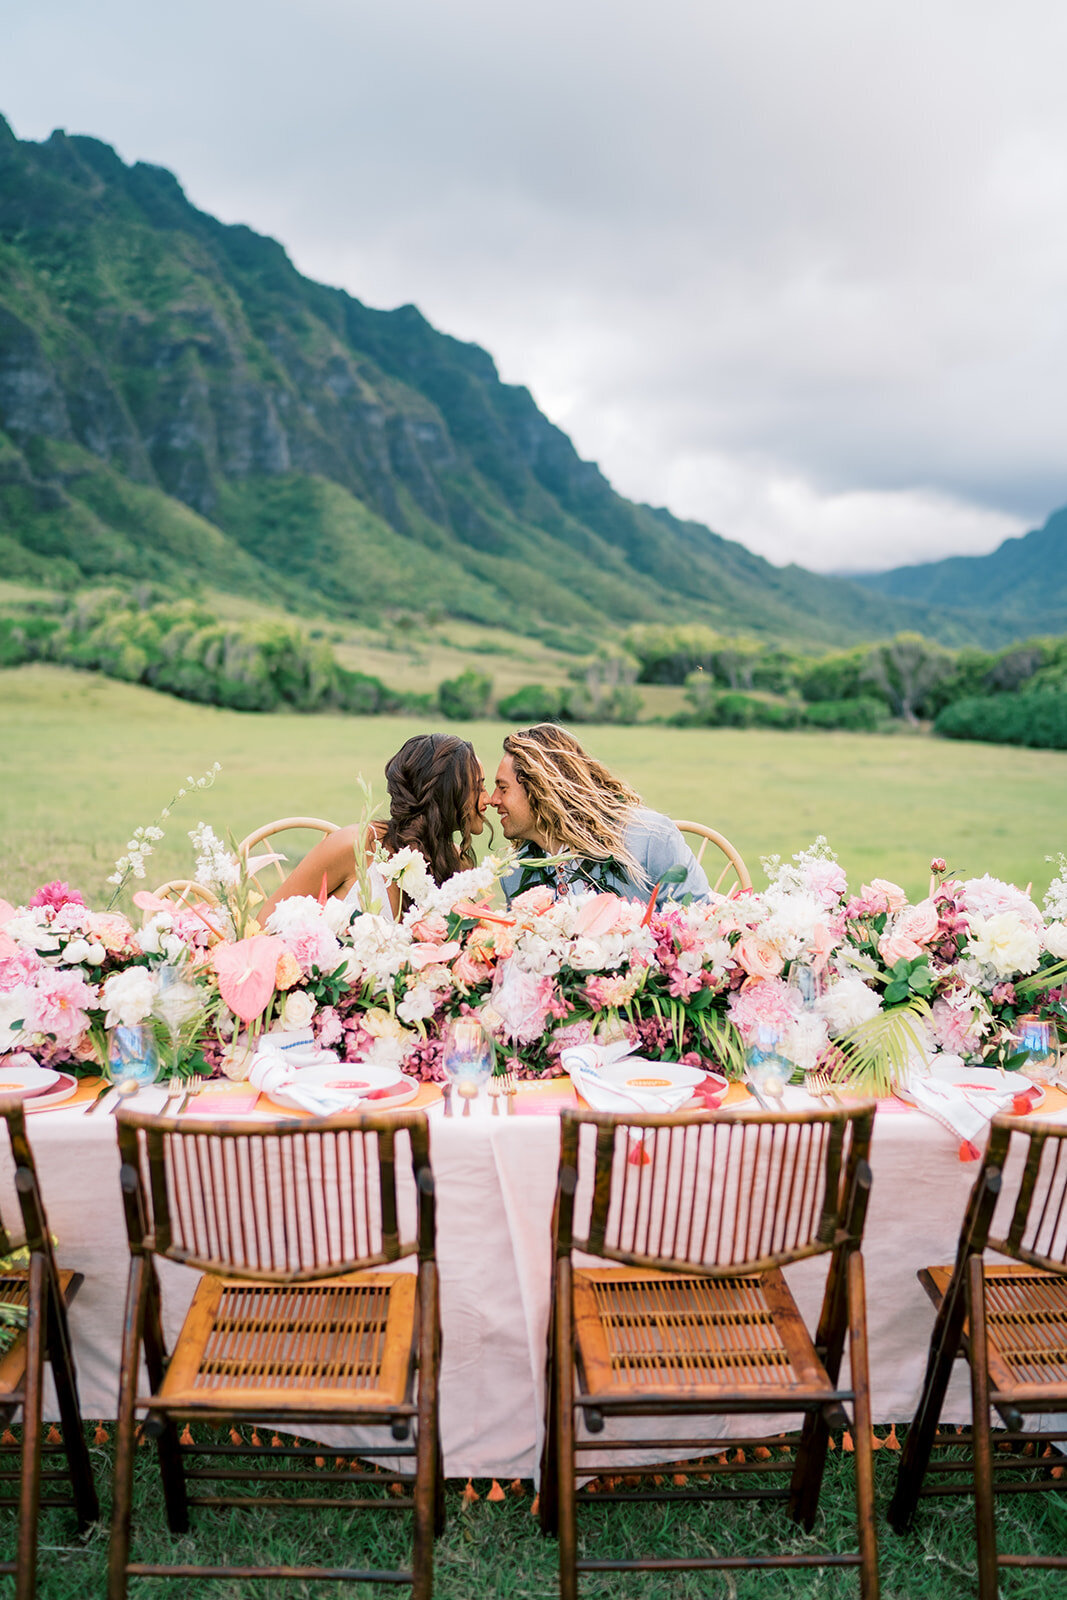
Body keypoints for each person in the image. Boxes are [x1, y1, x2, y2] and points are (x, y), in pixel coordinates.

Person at [260, 733, 489, 921]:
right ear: (448, 794)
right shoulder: (357, 845)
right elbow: (264, 924)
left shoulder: (456, 863)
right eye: (478, 787)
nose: (488, 799)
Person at [491, 723, 709, 906]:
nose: (493, 800)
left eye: (503, 788)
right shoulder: (515, 874)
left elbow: (699, 925)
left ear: (539, 789)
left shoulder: (650, 838)